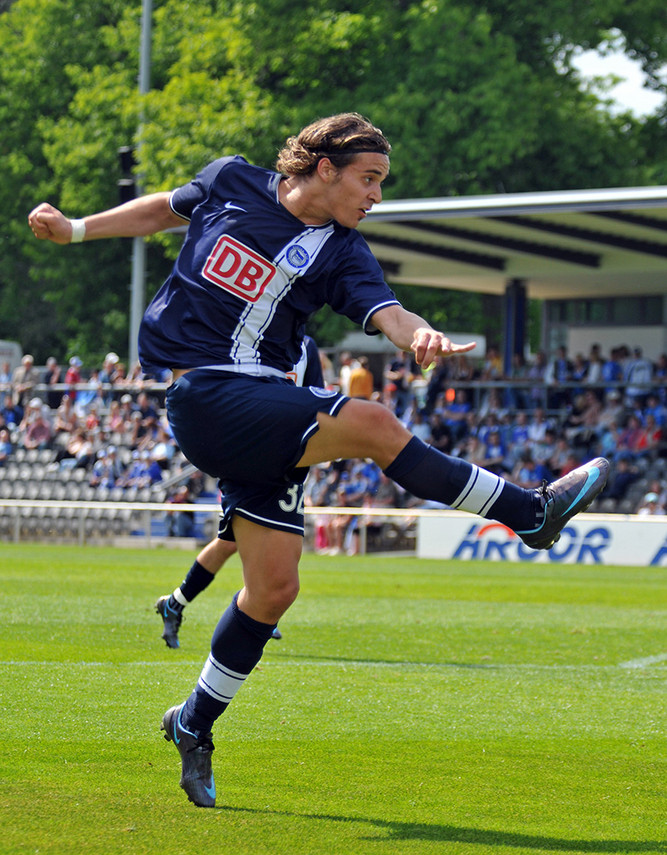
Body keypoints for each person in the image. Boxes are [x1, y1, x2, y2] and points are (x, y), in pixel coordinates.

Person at [29, 111, 610, 809]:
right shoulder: (231, 180)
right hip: (207, 394)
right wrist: (77, 229)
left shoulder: (341, 252)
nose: (376, 196)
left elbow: (388, 313)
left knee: (273, 591)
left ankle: (192, 722)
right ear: (324, 167)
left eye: (382, 184)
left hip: (264, 410)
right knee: (370, 421)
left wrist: (419, 334)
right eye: (368, 179)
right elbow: (162, 209)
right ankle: (529, 513)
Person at [154, 334, 324, 648]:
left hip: (287, 459)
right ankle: (259, 610)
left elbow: (316, 398)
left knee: (233, 542)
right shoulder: (245, 338)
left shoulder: (305, 347)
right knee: (258, 538)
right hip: (249, 456)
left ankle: (176, 603)